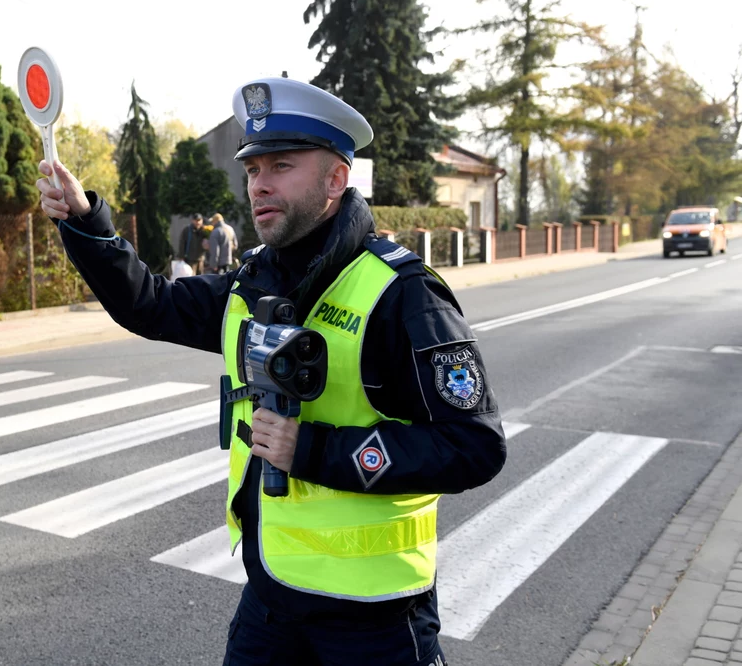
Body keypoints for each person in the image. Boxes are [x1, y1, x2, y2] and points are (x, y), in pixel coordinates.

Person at [37, 76, 507, 666]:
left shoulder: (402, 294)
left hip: (373, 620)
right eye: (254, 169)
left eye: (281, 165)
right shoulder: (251, 281)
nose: (259, 184)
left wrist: (311, 450)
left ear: (336, 179)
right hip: (270, 602)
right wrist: (85, 220)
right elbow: (150, 303)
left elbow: (475, 445)